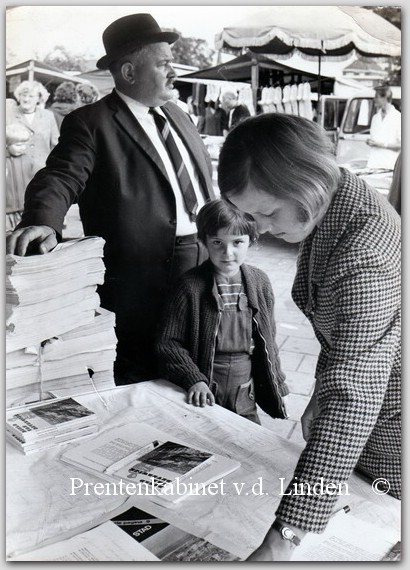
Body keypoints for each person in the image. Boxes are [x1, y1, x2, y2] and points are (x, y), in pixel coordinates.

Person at [217, 114, 401, 560]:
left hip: (392, 431)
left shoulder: (364, 257)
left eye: (266, 212)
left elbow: (353, 396)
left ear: (306, 181)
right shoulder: (333, 200)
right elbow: (344, 335)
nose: (258, 229)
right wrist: (321, 388)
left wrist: (285, 538)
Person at [6, 13, 215, 384]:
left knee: (196, 362)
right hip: (141, 277)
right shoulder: (91, 122)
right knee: (144, 371)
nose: (174, 72)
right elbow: (61, 175)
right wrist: (43, 219)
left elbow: (201, 182)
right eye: (164, 63)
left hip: (204, 261)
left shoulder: (179, 116)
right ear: (129, 72)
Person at [157, 199, 288, 424]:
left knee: (248, 440)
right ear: (204, 241)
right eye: (218, 242)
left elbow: (269, 337)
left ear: (251, 240)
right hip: (205, 388)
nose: (227, 252)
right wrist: (193, 379)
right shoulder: (189, 286)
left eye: (237, 242)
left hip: (245, 389)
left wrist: (277, 380)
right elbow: (168, 343)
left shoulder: (259, 282)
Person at [6, 80, 59, 173]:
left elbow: (56, 145)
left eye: (31, 96)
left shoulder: (48, 116)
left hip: (42, 171)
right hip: (15, 171)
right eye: (23, 95)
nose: (26, 99)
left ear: (39, 98)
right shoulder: (8, 114)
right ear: (19, 96)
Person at [5, 123, 36, 232]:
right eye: (18, 145)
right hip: (6, 210)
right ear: (6, 144)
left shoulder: (29, 160)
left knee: (23, 233)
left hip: (24, 208)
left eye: (24, 144)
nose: (22, 148)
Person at [367, 85, 401, 170]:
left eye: (376, 97)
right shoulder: (375, 118)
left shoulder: (398, 117)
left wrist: (381, 145)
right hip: (373, 165)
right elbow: (374, 139)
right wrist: (370, 142)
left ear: (385, 98)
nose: (374, 99)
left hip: (389, 166)